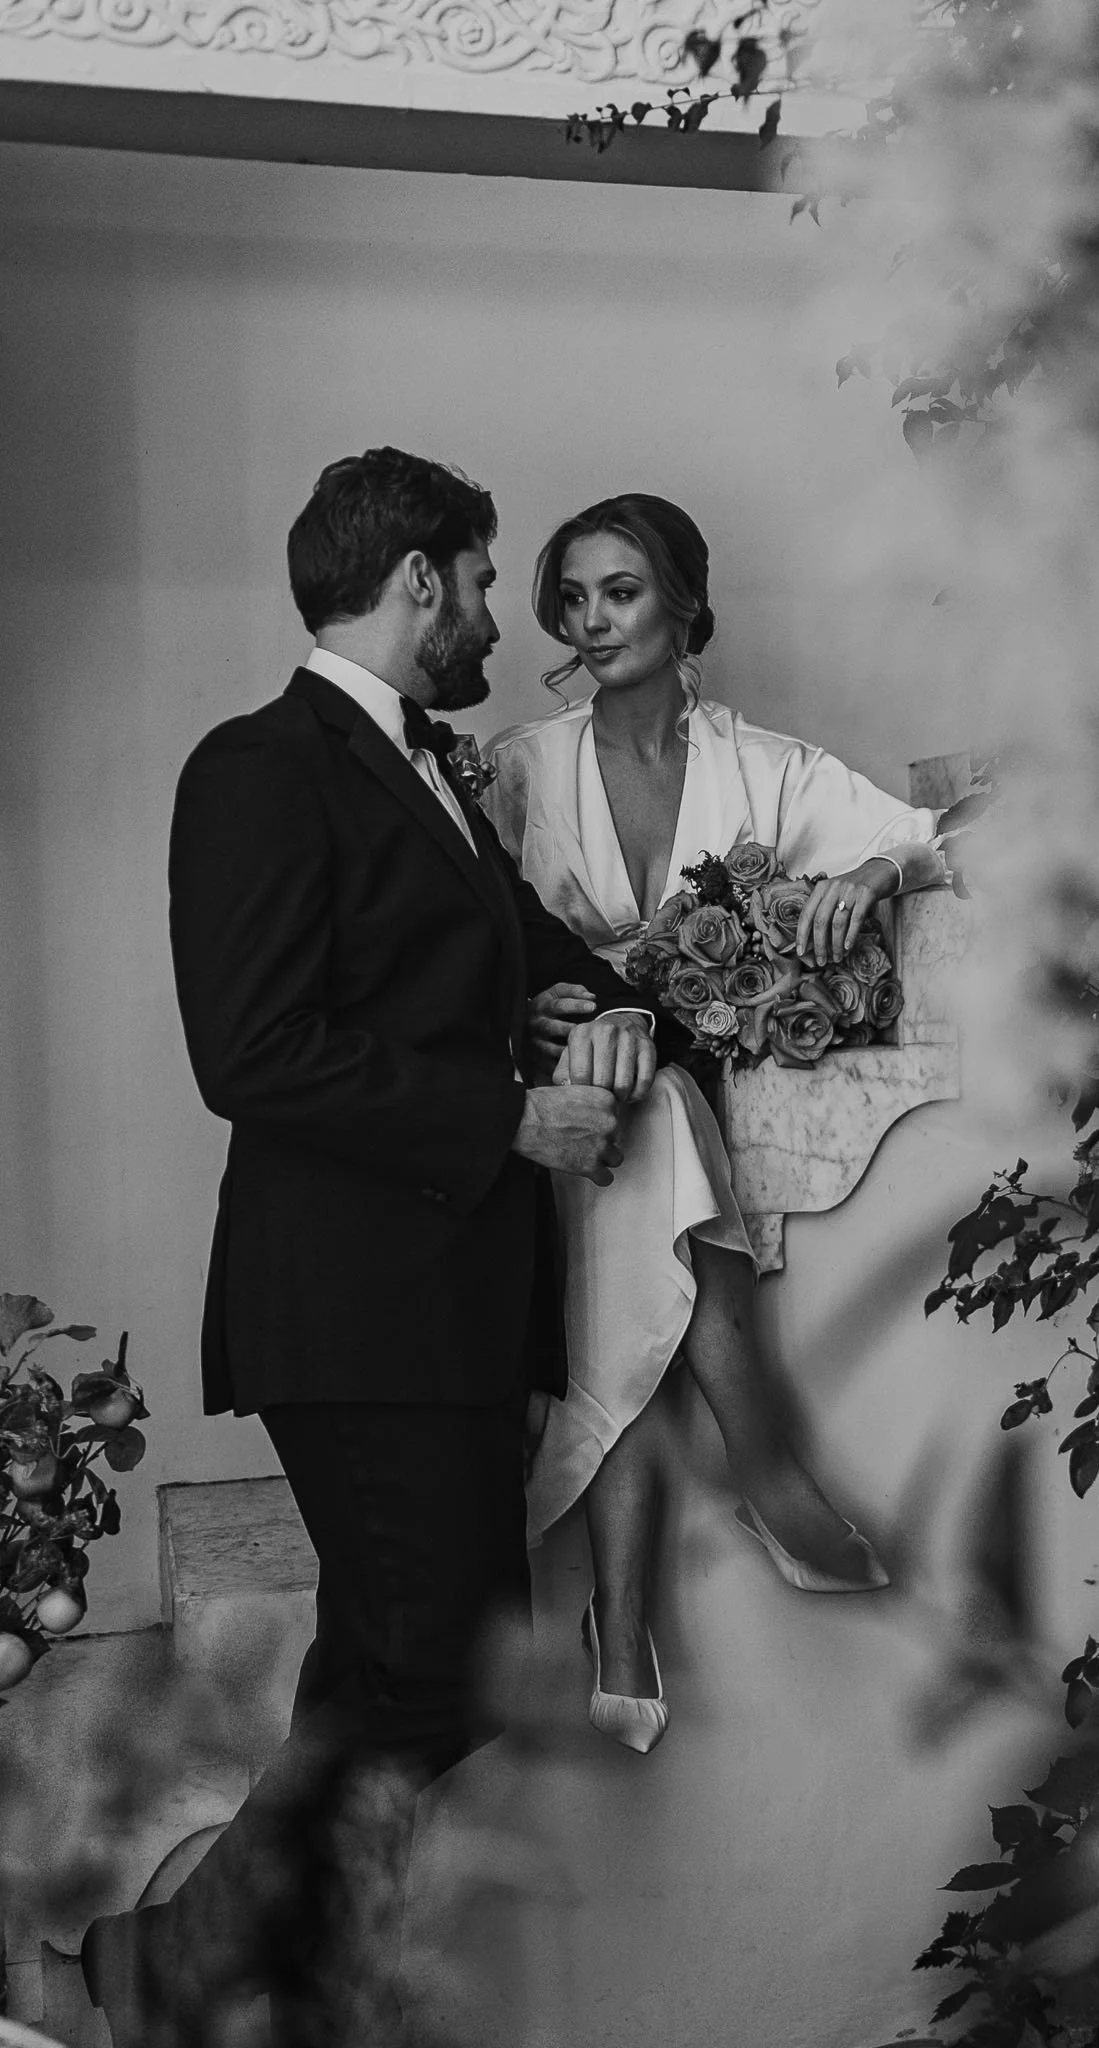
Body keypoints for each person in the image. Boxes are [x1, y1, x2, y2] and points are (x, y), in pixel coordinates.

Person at [82, 448, 671, 2047]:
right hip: (348, 1305)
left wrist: (619, 1018)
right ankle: (175, 1960)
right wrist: (510, 1117)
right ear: (418, 578)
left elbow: (543, 958)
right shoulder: (256, 767)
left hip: (453, 1309)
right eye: (478, 580)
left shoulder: (436, 772)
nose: (493, 612)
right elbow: (253, 1051)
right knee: (444, 1677)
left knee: (381, 1666)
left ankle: (232, 1974)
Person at [483, 493, 947, 1756]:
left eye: (620, 590)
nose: (592, 619)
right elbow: (458, 930)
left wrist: (868, 872)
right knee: (638, 1121)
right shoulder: (520, 766)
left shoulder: (763, 767)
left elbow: (919, 833)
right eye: (573, 597)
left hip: (666, 1081)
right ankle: (766, 1461)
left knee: (650, 1129)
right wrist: (523, 1008)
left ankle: (621, 1617)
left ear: (684, 603)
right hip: (556, 1079)